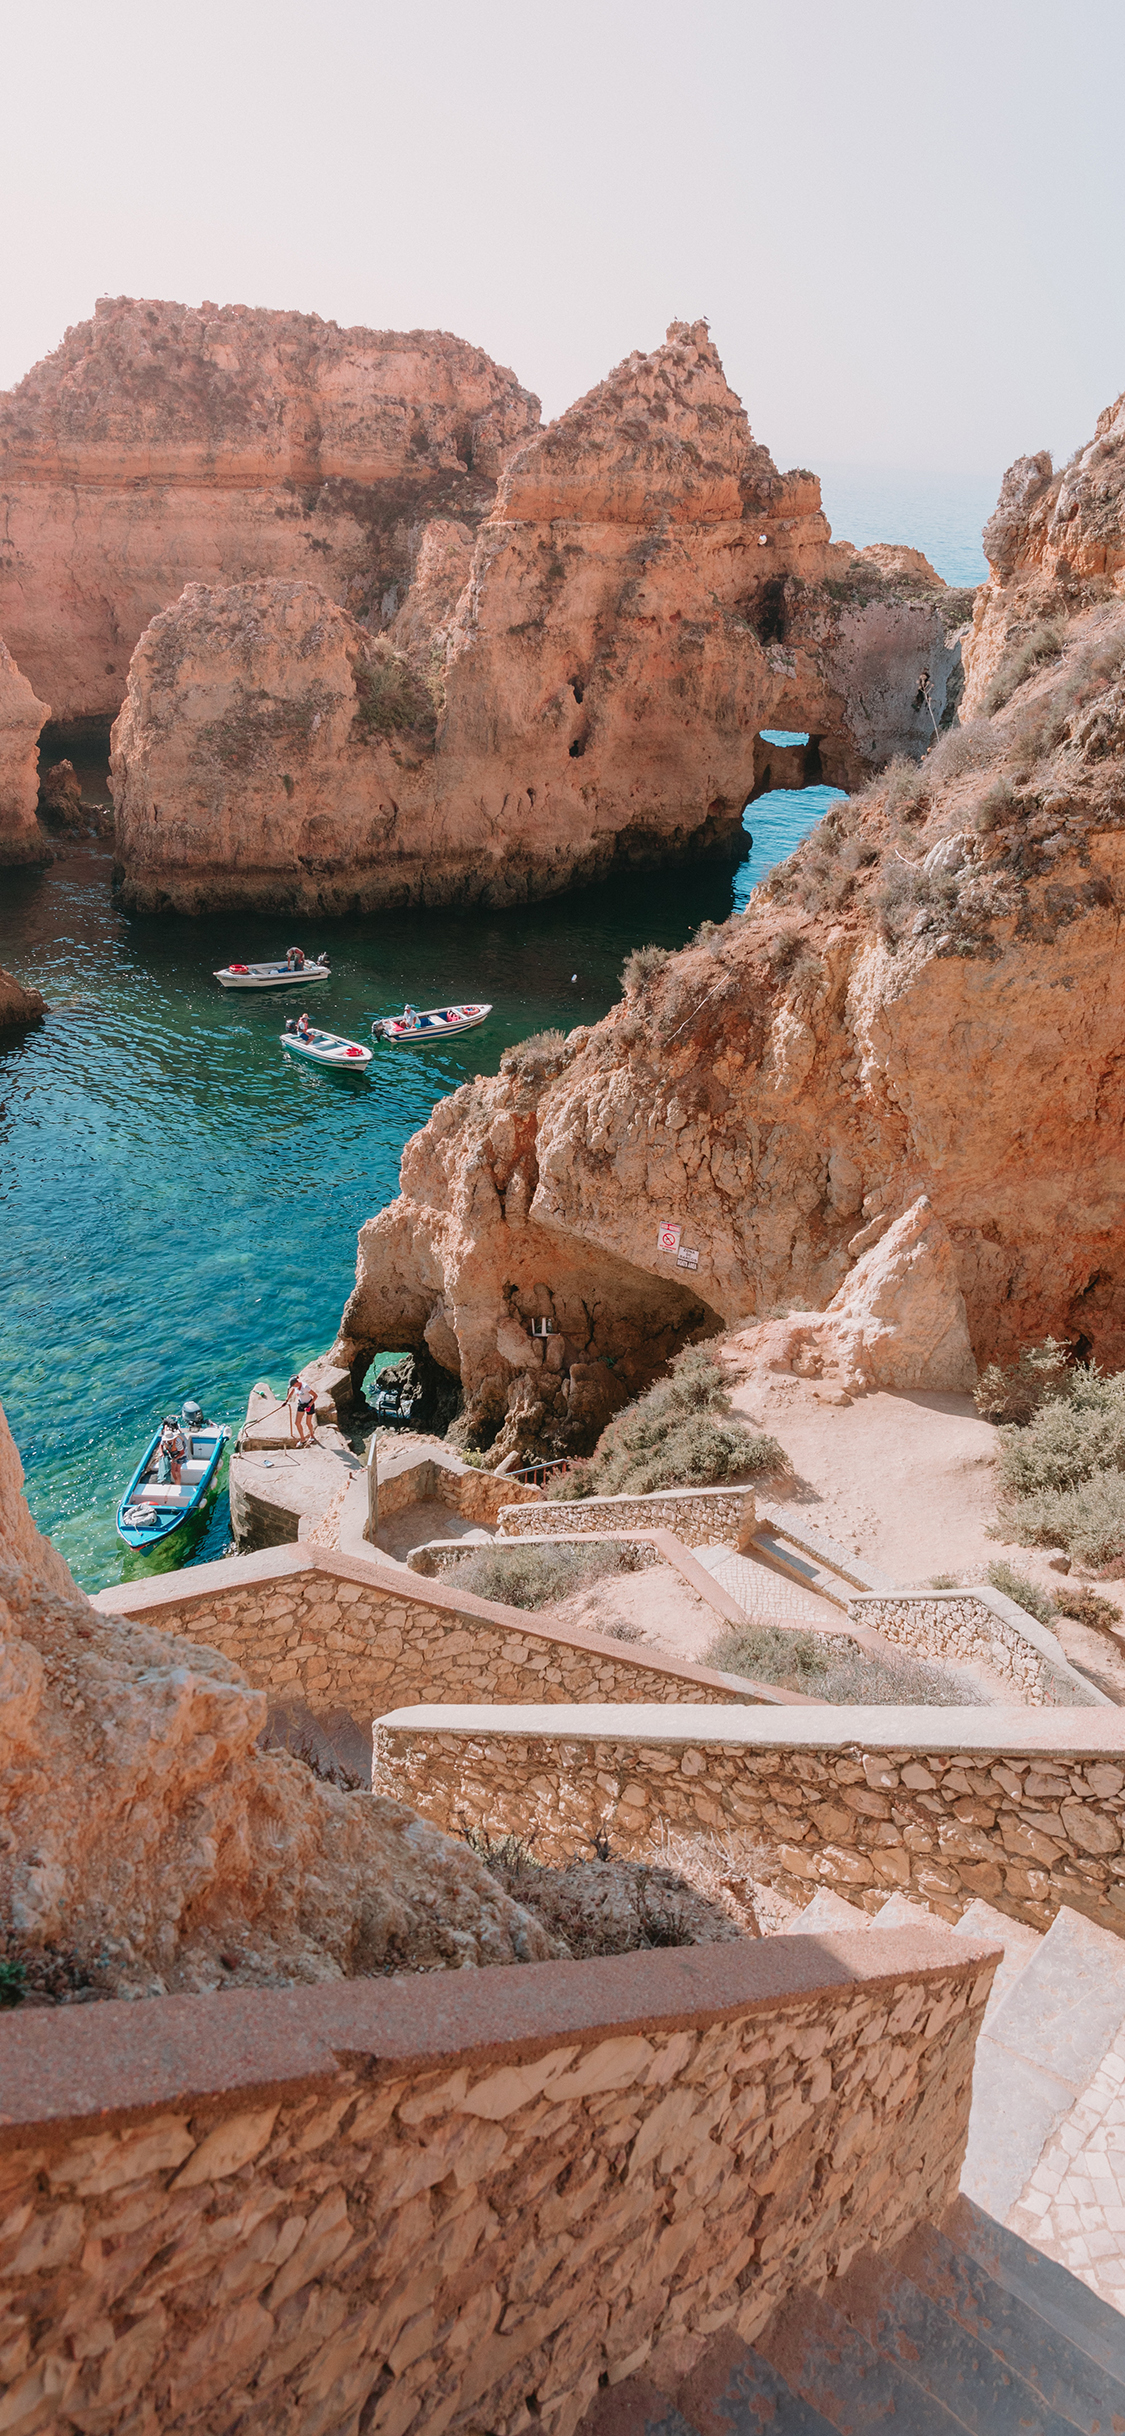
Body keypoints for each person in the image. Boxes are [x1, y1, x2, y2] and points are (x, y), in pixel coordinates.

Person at [290, 1374, 317, 1445]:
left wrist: (309, 1405)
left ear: (296, 1383)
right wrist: (286, 1400)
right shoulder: (295, 1387)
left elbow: (315, 1396)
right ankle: (302, 1439)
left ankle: (312, 1435)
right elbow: (292, 1391)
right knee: (297, 1422)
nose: (293, 1387)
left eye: (293, 1385)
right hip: (301, 1404)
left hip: (309, 1404)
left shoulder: (305, 1386)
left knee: (308, 1422)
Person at [157, 1417, 186, 1484]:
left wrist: (175, 1458)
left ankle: (177, 1483)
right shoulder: (164, 1440)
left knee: (177, 1470)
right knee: (172, 1470)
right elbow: (160, 1446)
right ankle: (174, 1480)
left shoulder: (178, 1442)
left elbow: (182, 1452)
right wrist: (161, 1453)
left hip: (180, 1455)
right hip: (172, 1454)